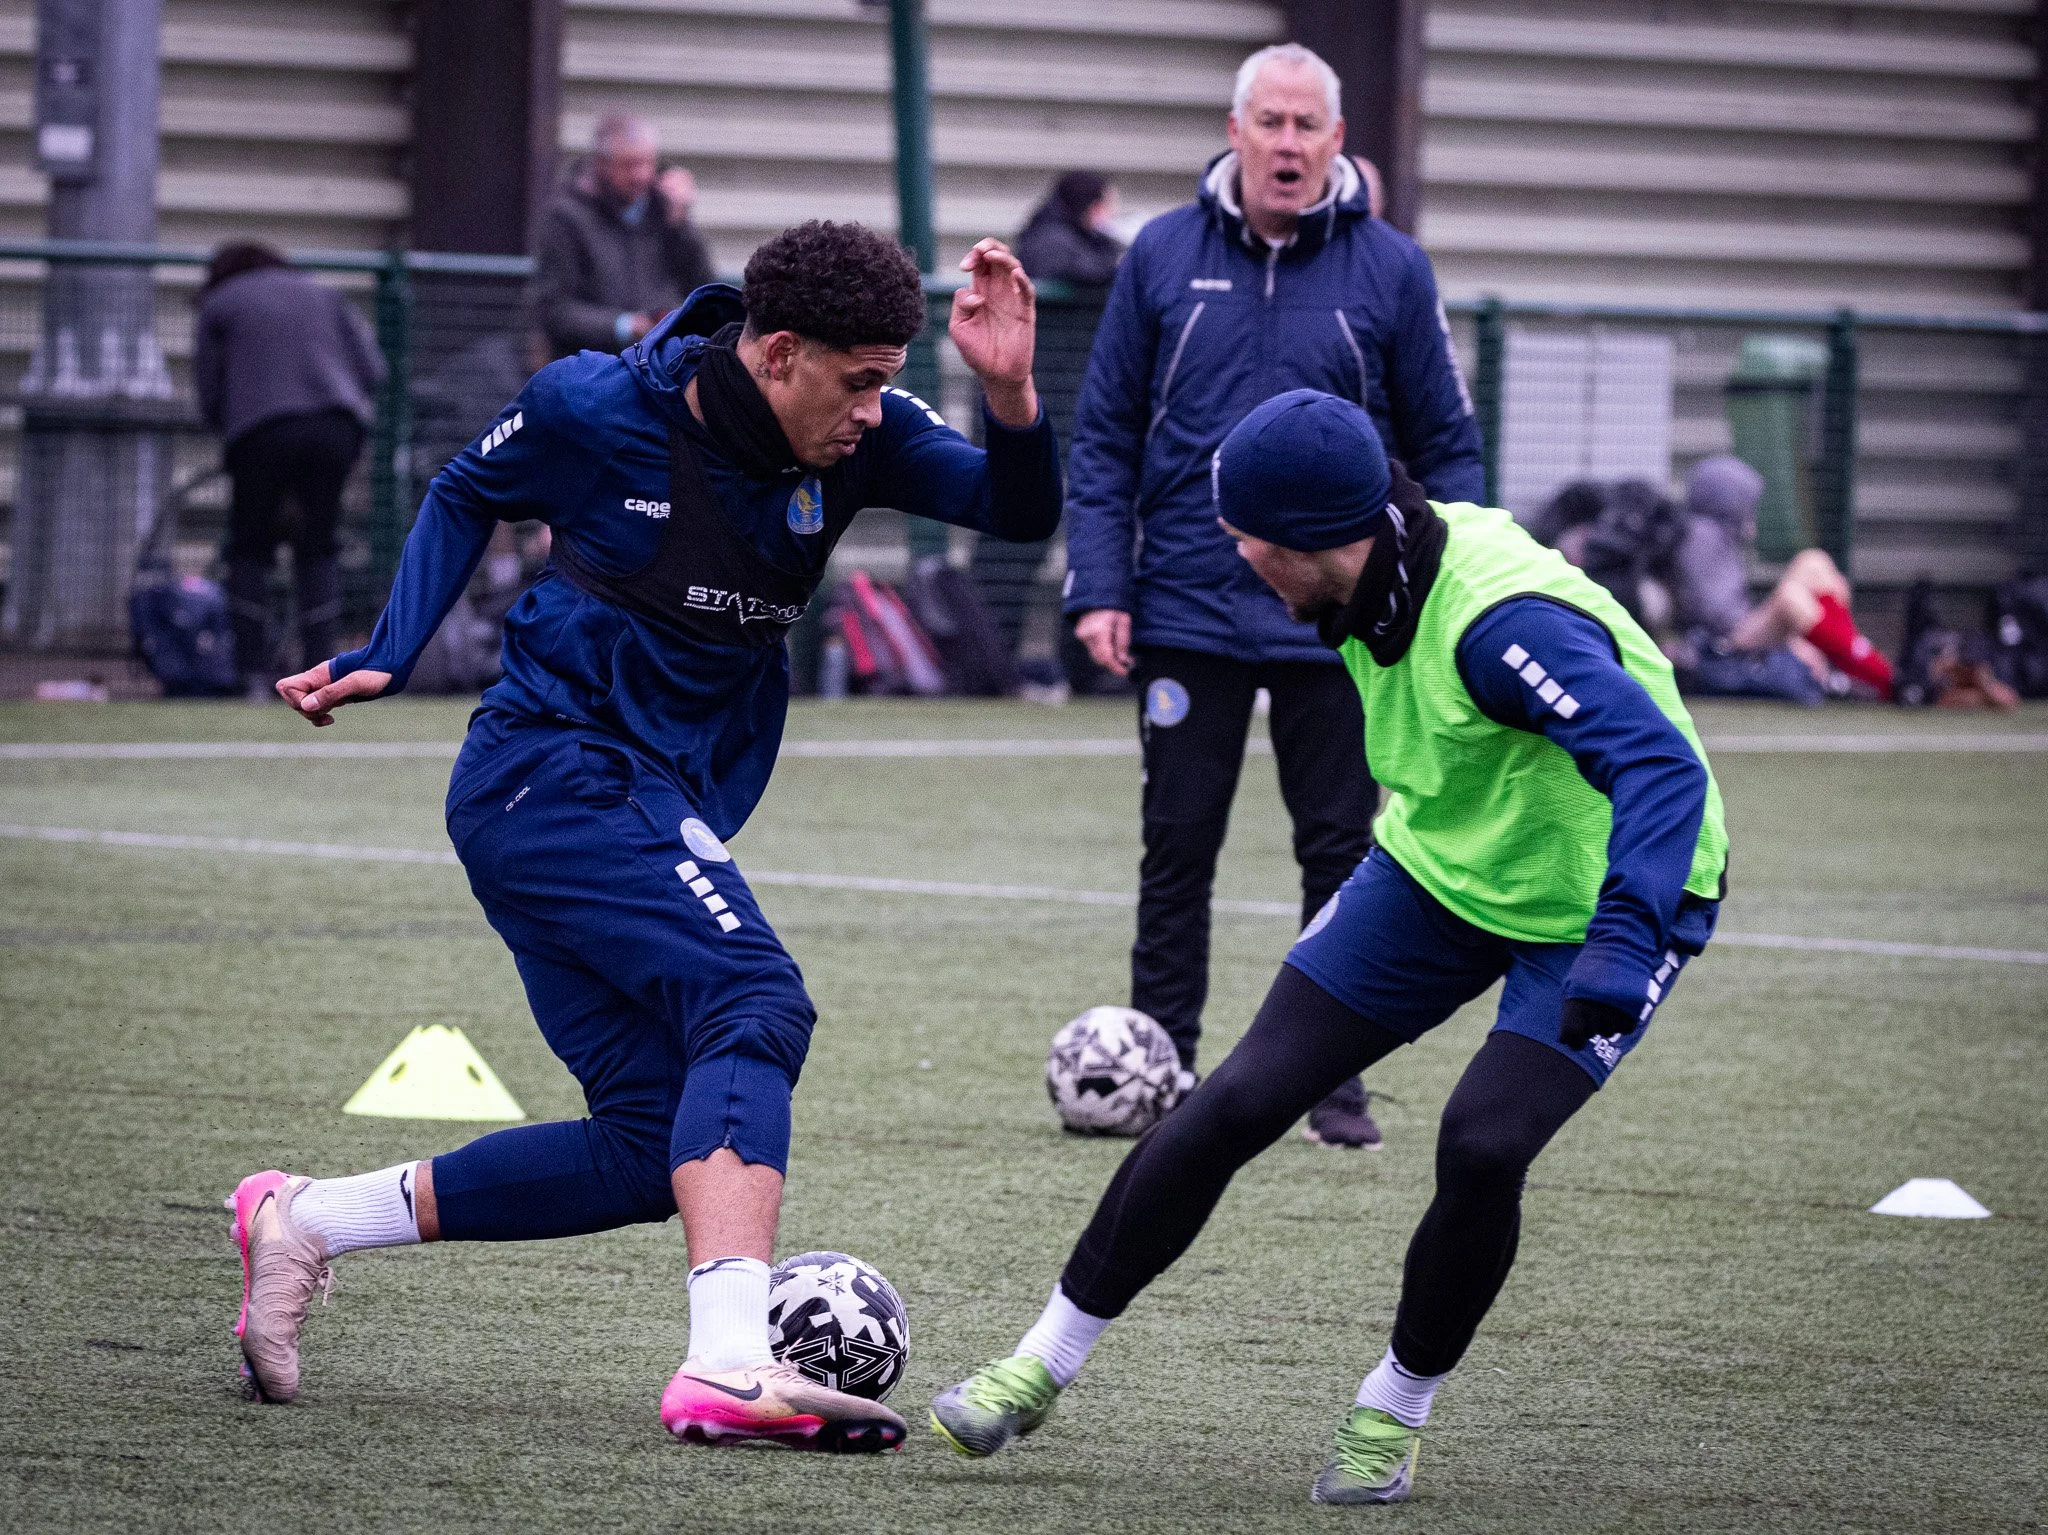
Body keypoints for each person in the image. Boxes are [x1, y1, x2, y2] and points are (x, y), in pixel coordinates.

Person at [227, 223, 1061, 1453]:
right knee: (752, 997)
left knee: (641, 1145)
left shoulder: (860, 439)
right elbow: (466, 485)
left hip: (627, 790)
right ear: (778, 354)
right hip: (551, 770)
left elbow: (1015, 508)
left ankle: (306, 1218)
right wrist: (387, 651)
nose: (877, 408)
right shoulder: (596, 406)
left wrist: (1007, 391)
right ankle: (729, 1360)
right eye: (862, 380)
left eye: (892, 377)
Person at [933, 389, 1727, 1506]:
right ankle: (1039, 1361)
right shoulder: (1372, 567)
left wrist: (1622, 934)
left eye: (1245, 536)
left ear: (1309, 539)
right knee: (1236, 1096)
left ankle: (1391, 1410)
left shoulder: (1500, 624)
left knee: (1483, 1143)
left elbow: (1659, 765)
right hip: (1439, 865)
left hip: (1607, 899)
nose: (1234, 551)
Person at [1062, 42, 1485, 1148]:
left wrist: (1443, 597)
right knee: (1177, 839)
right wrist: (1100, 583)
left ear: (1336, 142)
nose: (1288, 144)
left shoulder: (1393, 269)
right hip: (1187, 607)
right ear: (1235, 128)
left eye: (1308, 126)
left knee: (1343, 847)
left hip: (1340, 619)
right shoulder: (1157, 254)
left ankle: (1328, 1081)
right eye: (1271, 123)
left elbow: (1446, 446)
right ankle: (1156, 1064)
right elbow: (1103, 434)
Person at [192, 242, 386, 695]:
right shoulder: (323, 293)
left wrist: (230, 429)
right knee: (318, 545)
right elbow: (374, 369)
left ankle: (254, 675)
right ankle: (321, 670)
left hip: (260, 431)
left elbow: (208, 388)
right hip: (335, 426)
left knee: (250, 546)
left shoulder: (220, 303)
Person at [535, 112, 716, 360]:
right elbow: (553, 308)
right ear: (601, 164)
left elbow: (702, 282)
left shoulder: (664, 209)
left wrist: (680, 222)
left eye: (647, 163)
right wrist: (625, 326)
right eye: (629, 165)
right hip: (592, 365)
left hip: (660, 363)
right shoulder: (566, 216)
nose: (640, 175)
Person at [1014, 171, 1125, 286]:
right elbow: (1088, 272)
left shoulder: (1079, 235)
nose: (1112, 213)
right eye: (1106, 205)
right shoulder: (1051, 239)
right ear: (1092, 206)